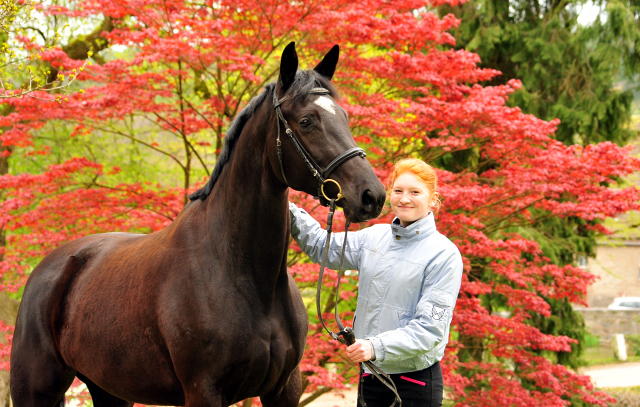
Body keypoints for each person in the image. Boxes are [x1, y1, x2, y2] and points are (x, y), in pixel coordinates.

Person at [289, 158, 463, 407]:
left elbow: (430, 330)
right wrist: (288, 207)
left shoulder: (444, 254)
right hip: (371, 377)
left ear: (433, 199)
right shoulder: (373, 236)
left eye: (415, 192)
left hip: (414, 384)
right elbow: (321, 247)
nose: (404, 198)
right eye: (398, 190)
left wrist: (374, 346)